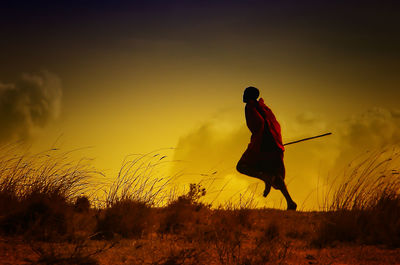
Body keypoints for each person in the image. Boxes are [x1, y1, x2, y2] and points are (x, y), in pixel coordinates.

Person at [236, 86, 297, 210]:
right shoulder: (263, 107)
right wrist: (275, 142)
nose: (243, 95)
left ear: (250, 96)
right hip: (274, 146)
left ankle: (265, 178)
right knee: (276, 174)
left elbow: (260, 124)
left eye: (245, 93)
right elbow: (274, 124)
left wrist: (259, 140)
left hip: (262, 145)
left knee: (241, 166)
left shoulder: (250, 107)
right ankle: (290, 202)